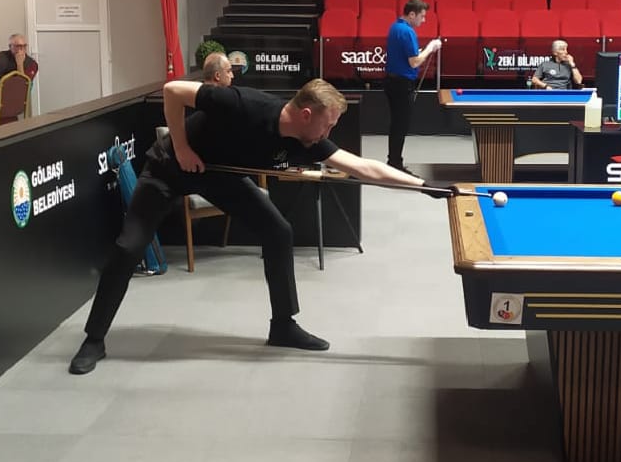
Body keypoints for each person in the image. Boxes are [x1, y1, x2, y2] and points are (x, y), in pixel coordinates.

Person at [68, 78, 452, 375]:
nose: (329, 133)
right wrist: (181, 147)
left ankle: (283, 325)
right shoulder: (243, 103)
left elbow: (362, 167)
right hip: (169, 169)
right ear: (307, 114)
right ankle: (94, 339)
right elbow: (173, 91)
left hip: (220, 177)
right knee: (128, 247)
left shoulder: (308, 139)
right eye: (328, 124)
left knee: (278, 231)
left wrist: (421, 185)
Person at [384, 0, 441, 174]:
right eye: (421, 16)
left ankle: (394, 160)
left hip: (392, 82)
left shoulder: (395, 27)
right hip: (401, 84)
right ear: (411, 14)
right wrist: (430, 47)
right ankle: (395, 163)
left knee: (397, 123)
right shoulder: (407, 32)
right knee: (400, 125)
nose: (423, 20)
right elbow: (414, 62)